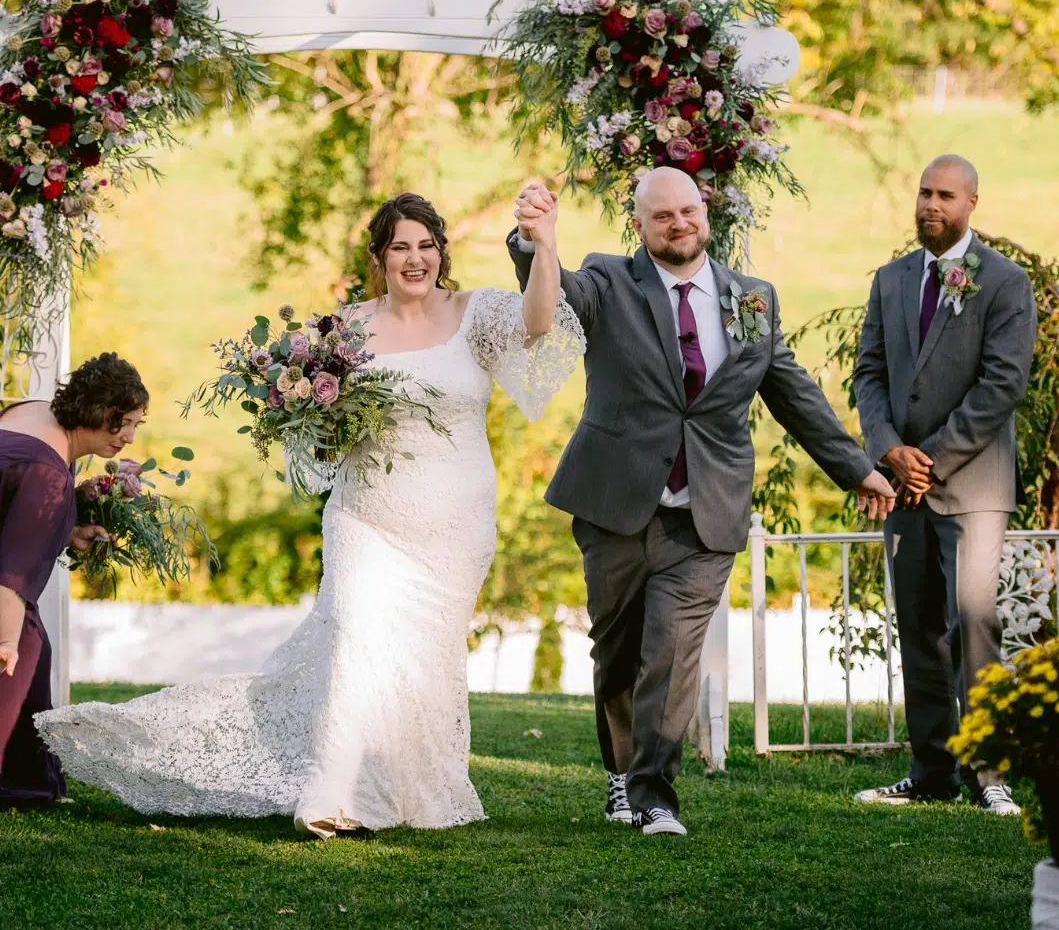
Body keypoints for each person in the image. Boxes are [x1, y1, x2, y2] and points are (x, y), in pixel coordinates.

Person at [38, 191, 584, 838]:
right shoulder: (344, 331)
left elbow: (540, 323)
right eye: (400, 247)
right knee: (355, 643)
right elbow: (315, 431)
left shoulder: (477, 311)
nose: (415, 259)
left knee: (422, 660)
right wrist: (309, 417)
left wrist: (544, 242)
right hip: (367, 518)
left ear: (442, 252)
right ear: (379, 259)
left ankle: (402, 788)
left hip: (455, 525)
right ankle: (335, 797)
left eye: (426, 246)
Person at [509, 167, 895, 836]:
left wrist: (857, 469)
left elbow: (793, 393)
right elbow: (557, 298)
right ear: (641, 225)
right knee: (617, 651)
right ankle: (620, 772)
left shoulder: (752, 298)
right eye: (663, 216)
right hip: (614, 503)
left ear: (705, 213)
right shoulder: (608, 280)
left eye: (688, 210)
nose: (678, 223)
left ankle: (654, 794)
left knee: (673, 652)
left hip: (706, 509)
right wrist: (534, 242)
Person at [852, 154, 1037, 814]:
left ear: (971, 204)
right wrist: (888, 451)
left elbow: (1001, 387)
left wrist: (928, 458)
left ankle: (990, 777)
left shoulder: (1004, 283)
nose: (932, 204)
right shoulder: (891, 279)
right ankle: (931, 773)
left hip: (973, 491)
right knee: (919, 628)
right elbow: (868, 376)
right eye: (924, 191)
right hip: (904, 489)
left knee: (973, 624)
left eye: (946, 195)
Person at [0, 352, 147, 808]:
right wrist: (4, 641)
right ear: (97, 411)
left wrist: (67, 528)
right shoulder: (47, 472)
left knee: (35, 646)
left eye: (137, 424)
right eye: (123, 422)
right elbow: (11, 577)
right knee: (22, 648)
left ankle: (25, 781)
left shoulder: (27, 411)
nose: (129, 436)